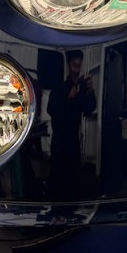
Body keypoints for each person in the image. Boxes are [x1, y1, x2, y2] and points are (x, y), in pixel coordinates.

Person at [47, 49, 97, 198]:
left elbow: (89, 109)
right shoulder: (59, 87)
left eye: (79, 66)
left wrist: (91, 91)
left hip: (74, 142)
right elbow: (52, 110)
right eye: (74, 66)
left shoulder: (80, 89)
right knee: (58, 179)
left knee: (73, 180)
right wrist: (68, 98)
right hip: (60, 142)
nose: (76, 70)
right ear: (69, 65)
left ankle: (72, 207)